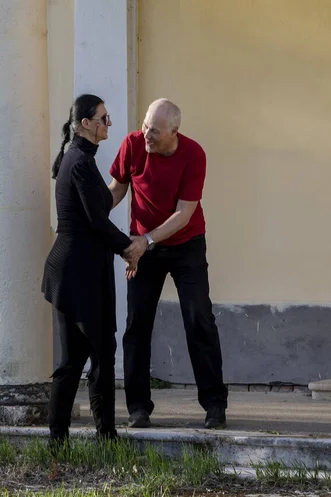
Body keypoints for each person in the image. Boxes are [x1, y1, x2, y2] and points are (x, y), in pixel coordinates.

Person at [109, 98, 228, 430]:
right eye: (145, 126)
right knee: (136, 325)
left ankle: (215, 405)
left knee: (199, 319)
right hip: (143, 245)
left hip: (184, 243)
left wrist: (144, 242)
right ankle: (138, 408)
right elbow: (117, 190)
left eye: (155, 131)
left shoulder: (193, 154)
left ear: (174, 132)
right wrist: (90, 212)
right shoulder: (133, 144)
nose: (146, 134)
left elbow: (183, 213)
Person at [42, 94, 142, 444]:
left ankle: (59, 440)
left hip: (75, 269)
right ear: (86, 123)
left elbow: (99, 208)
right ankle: (105, 437)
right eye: (103, 118)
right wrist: (130, 249)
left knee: (76, 359)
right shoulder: (80, 162)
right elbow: (96, 221)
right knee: (99, 353)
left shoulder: (79, 158)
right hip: (78, 272)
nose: (108, 123)